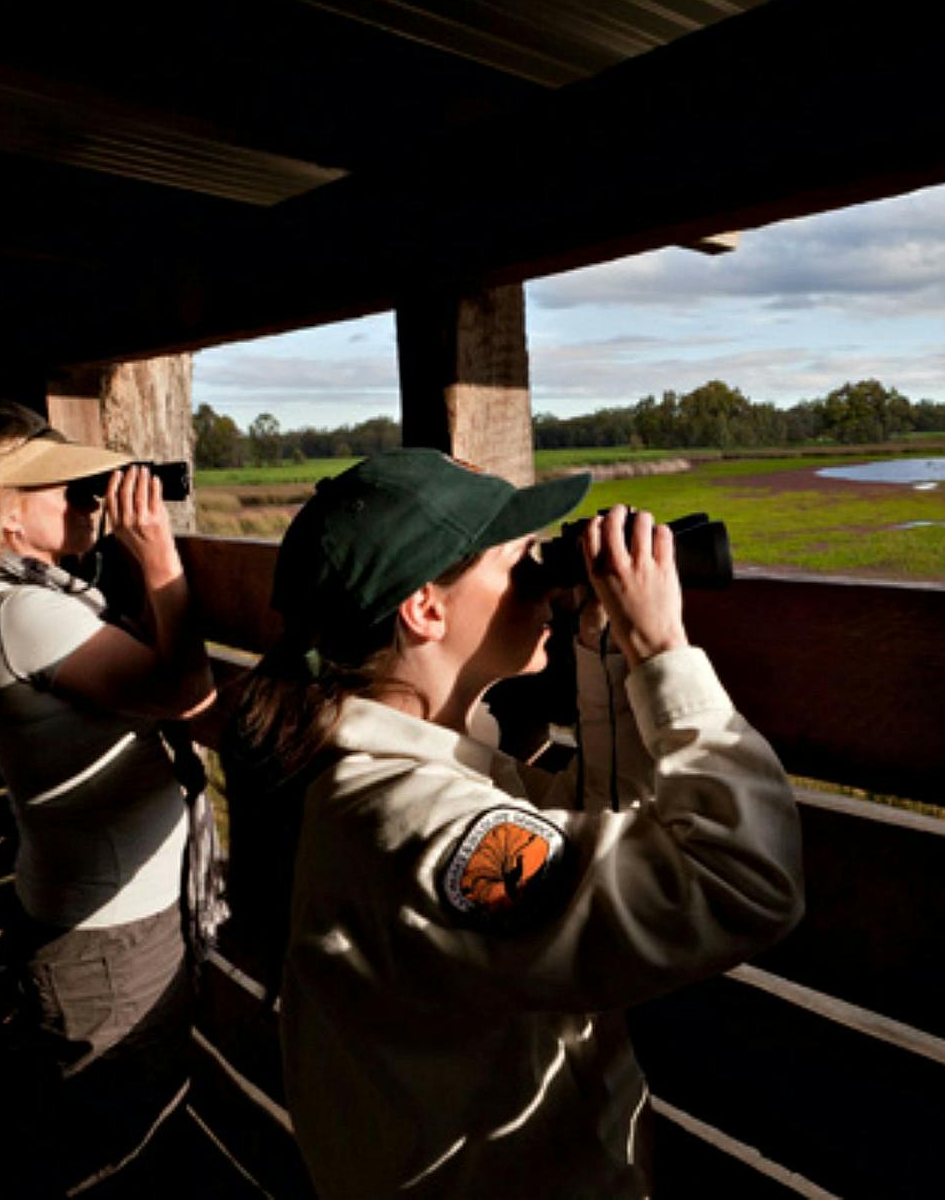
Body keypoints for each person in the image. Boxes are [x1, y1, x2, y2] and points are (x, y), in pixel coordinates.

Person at [222, 449, 804, 1199]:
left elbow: (598, 842)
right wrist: (662, 648)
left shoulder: (387, 776)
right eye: (520, 560)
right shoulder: (422, 827)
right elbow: (743, 886)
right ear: (425, 609)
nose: (545, 578)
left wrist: (608, 653)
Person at [0, 401, 219, 1196]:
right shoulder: (24, 612)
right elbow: (187, 690)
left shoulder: (34, 594)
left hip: (98, 914)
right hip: (105, 935)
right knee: (121, 1143)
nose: (89, 500)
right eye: (65, 489)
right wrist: (159, 559)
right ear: (9, 520)